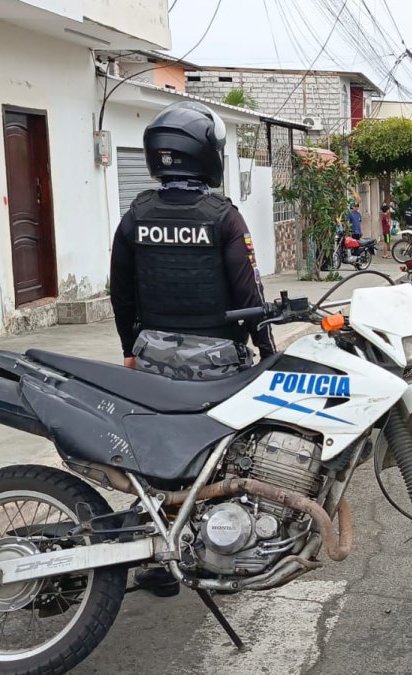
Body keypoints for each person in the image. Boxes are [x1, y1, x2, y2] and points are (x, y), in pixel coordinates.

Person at [111, 102, 275, 596]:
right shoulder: (223, 217)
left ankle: (159, 548)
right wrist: (266, 349)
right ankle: (220, 543)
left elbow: (120, 292)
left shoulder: (135, 215)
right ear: (207, 156)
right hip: (217, 361)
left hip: (152, 357)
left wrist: (130, 351)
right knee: (221, 457)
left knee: (159, 457)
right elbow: (249, 295)